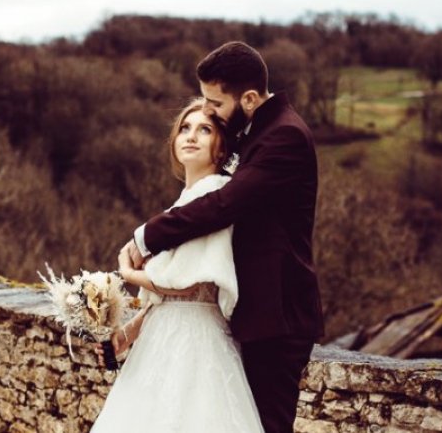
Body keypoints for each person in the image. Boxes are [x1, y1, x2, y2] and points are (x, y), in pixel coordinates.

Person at [128, 41, 323, 433]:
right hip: (255, 314)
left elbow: (224, 203)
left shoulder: (283, 136)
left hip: (278, 316)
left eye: (215, 104)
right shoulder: (255, 132)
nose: (209, 111)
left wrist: (147, 235)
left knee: (267, 426)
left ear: (249, 98)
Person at [91, 98, 264, 432]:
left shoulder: (216, 194)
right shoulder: (185, 201)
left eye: (204, 130)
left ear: (220, 147)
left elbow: (187, 284)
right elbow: (169, 296)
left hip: (196, 338)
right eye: (184, 128)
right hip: (165, 333)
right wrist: (130, 332)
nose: (191, 136)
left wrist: (130, 275)